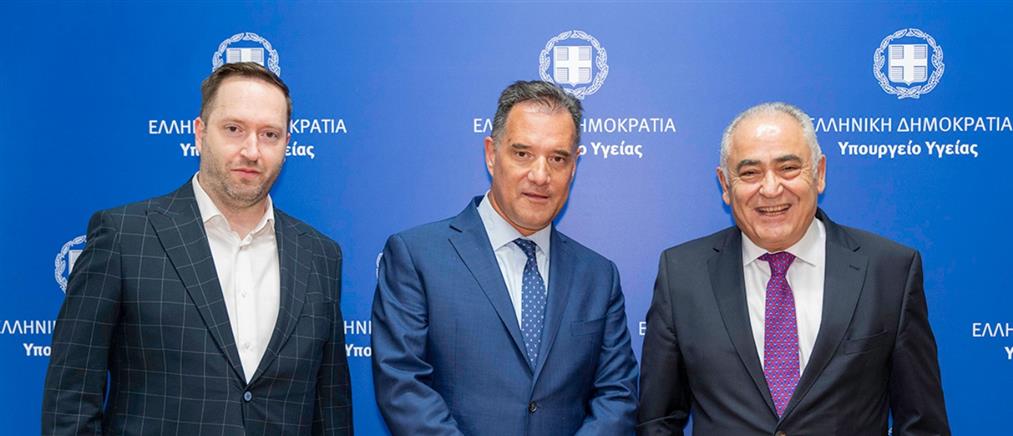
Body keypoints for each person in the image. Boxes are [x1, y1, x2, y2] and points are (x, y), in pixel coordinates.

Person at [42, 62, 352, 436]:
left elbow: (331, 412)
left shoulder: (320, 256)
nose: (252, 151)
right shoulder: (124, 237)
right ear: (200, 133)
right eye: (234, 129)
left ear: (287, 143)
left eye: (269, 134)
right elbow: (71, 398)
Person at [637, 102, 950, 435]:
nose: (771, 188)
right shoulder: (682, 274)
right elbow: (657, 421)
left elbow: (922, 424)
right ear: (725, 185)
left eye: (788, 168)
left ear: (819, 173)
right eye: (750, 173)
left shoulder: (889, 271)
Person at [371, 80, 638, 435]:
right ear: (491, 154)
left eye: (557, 158)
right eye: (522, 154)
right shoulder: (417, 256)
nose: (540, 175)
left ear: (574, 166)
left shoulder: (598, 276)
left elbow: (617, 396)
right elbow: (404, 387)